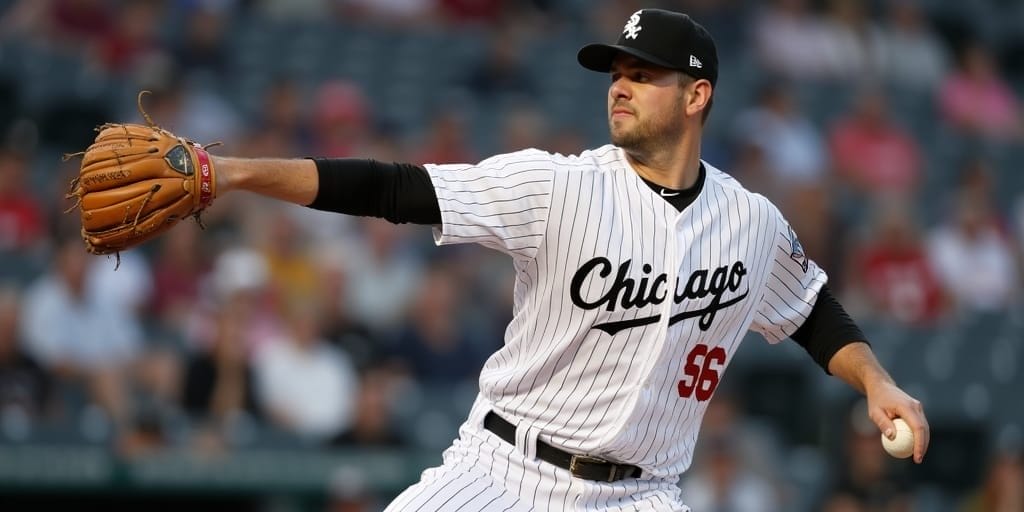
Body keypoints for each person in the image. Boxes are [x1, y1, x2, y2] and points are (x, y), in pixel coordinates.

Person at [172, 9, 931, 511]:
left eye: (643, 74)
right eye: (616, 73)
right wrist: (236, 172)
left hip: (643, 496)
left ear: (698, 95)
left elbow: (811, 312)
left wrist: (877, 380)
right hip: (502, 472)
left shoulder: (752, 223)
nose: (621, 87)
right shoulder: (558, 185)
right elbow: (394, 188)